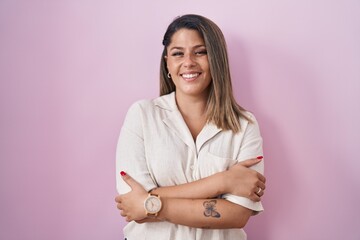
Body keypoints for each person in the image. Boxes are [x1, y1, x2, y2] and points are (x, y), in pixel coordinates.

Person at [115, 14, 266, 240]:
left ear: (216, 59)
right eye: (178, 53)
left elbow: (237, 215)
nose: (188, 62)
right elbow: (131, 204)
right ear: (167, 61)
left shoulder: (244, 125)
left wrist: (151, 203)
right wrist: (223, 182)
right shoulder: (142, 115)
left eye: (200, 51)